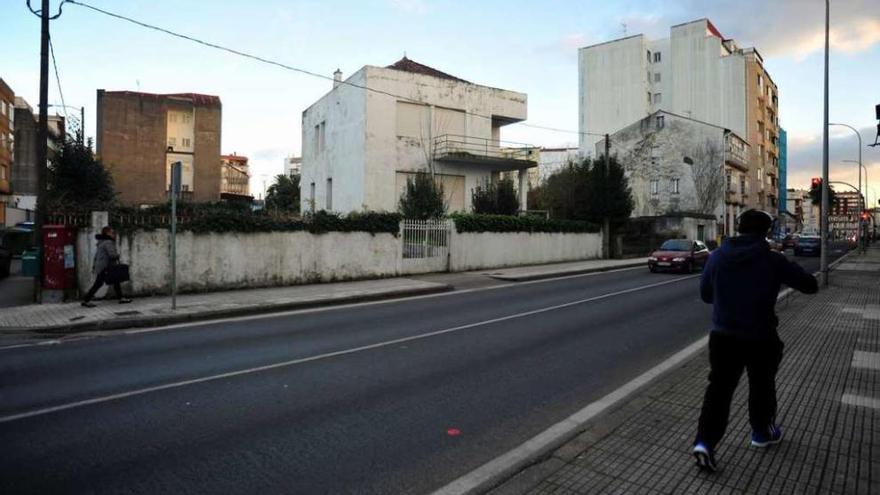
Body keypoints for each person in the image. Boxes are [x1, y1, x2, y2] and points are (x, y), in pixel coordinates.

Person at [692, 210, 817, 472]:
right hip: (761, 336)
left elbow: (705, 295)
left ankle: (705, 442)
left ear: (739, 228)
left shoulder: (716, 257)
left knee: (718, 389)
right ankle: (761, 433)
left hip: (723, 336)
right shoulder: (772, 260)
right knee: (761, 386)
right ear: (766, 231)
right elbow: (809, 285)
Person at [81, 226, 132, 307]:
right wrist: (118, 255)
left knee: (116, 281)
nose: (114, 234)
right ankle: (86, 300)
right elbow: (112, 255)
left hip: (104, 266)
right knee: (98, 284)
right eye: (112, 232)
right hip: (105, 267)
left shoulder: (102, 241)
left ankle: (121, 298)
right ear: (107, 233)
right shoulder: (108, 242)